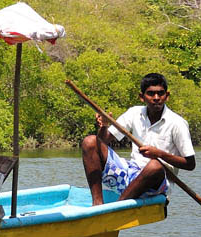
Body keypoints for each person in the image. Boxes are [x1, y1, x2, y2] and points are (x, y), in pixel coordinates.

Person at [79, 73, 195, 206]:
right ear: (142, 97)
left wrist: (159, 154)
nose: (156, 98)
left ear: (167, 96)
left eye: (160, 93)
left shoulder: (177, 123)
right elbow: (102, 142)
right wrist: (104, 126)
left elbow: (190, 164)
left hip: (157, 183)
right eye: (151, 94)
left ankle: (118, 208)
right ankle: (97, 203)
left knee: (155, 166)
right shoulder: (134, 113)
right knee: (90, 141)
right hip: (130, 174)